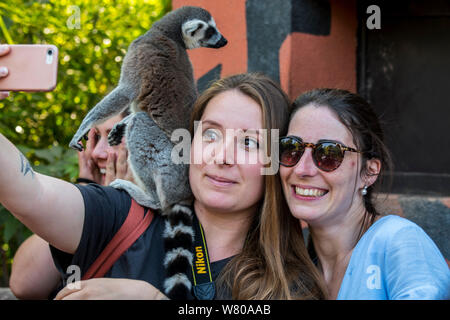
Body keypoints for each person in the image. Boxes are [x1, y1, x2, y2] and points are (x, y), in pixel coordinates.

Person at [0, 51, 325, 299]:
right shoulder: (125, 215)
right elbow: (28, 193)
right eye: (210, 135)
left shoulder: (290, 282)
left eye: (250, 142)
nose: (222, 157)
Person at [278, 88, 450, 299]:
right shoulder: (295, 270)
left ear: (369, 172)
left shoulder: (399, 242)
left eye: (329, 153)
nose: (302, 169)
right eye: (291, 148)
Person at [9, 112, 132, 299]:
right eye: (97, 137)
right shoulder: (93, 206)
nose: (96, 152)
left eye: (113, 136)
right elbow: (24, 284)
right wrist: (88, 192)